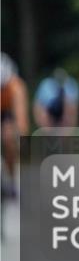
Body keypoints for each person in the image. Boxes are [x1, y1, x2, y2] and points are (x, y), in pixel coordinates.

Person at [0, 53, 30, 195]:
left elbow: (21, 121)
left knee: (9, 138)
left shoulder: (16, 87)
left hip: (8, 112)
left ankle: (12, 179)